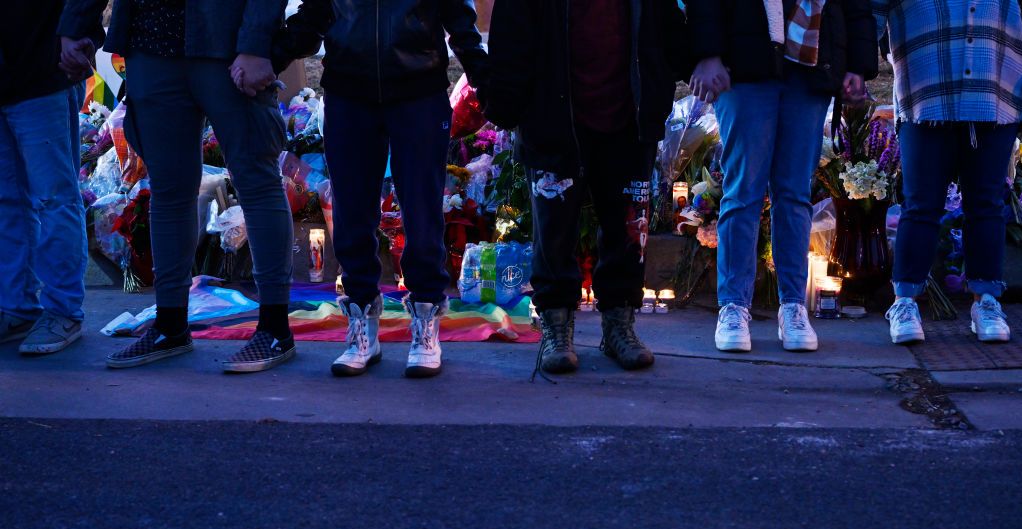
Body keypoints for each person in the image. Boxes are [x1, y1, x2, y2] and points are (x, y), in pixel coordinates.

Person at [58, 0, 298, 372]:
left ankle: (274, 328)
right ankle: (170, 325)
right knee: (169, 189)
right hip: (150, 43)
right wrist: (76, 26)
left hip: (227, 42)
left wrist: (255, 43)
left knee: (256, 181)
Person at [273, 0, 487, 378]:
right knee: (352, 212)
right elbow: (316, 13)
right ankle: (361, 326)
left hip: (419, 87)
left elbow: (456, 11)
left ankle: (425, 320)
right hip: (347, 88)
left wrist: (483, 76)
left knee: (421, 212)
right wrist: (269, 58)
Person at [484, 0, 690, 376]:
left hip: (629, 118)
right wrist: (505, 102)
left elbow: (670, 28)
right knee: (554, 232)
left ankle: (618, 325)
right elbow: (510, 33)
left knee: (628, 233)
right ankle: (557, 327)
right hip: (554, 120)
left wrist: (697, 60)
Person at [688, 0, 878, 352]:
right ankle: (733, 306)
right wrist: (707, 53)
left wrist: (857, 65)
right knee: (742, 189)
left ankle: (792, 306)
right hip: (746, 60)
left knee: (793, 193)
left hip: (810, 66)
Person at [874, 0, 1022, 344]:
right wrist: (858, 62)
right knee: (921, 202)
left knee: (985, 202)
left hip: (994, 89)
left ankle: (986, 300)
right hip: (926, 91)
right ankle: (905, 301)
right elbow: (871, 9)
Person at [0, 2, 99, 356]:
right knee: (7, 201)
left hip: (41, 68)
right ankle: (16, 307)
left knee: (55, 198)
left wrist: (80, 32)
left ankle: (63, 310)